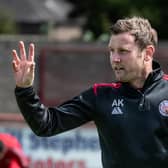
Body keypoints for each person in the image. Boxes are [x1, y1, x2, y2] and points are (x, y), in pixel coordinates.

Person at [11, 16, 168, 168]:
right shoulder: (100, 96)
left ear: (147, 53)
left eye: (123, 51)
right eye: (111, 51)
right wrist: (25, 89)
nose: (115, 59)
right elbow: (46, 124)